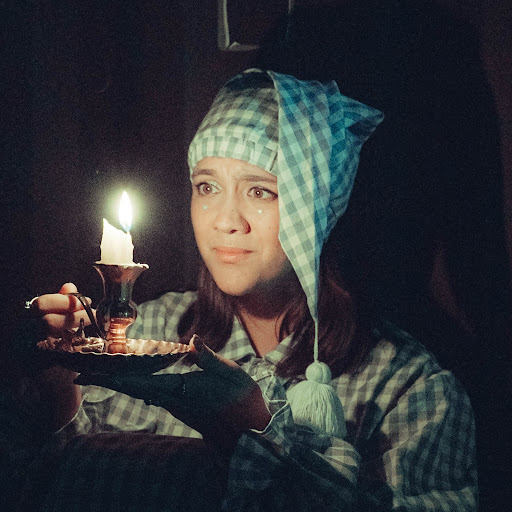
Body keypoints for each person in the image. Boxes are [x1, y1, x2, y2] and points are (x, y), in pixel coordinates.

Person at [25, 69, 477, 510]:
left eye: (260, 192)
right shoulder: (150, 333)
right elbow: (41, 484)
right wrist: (61, 391)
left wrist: (257, 435)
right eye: (207, 186)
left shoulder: (408, 390)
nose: (225, 220)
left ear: (316, 211)